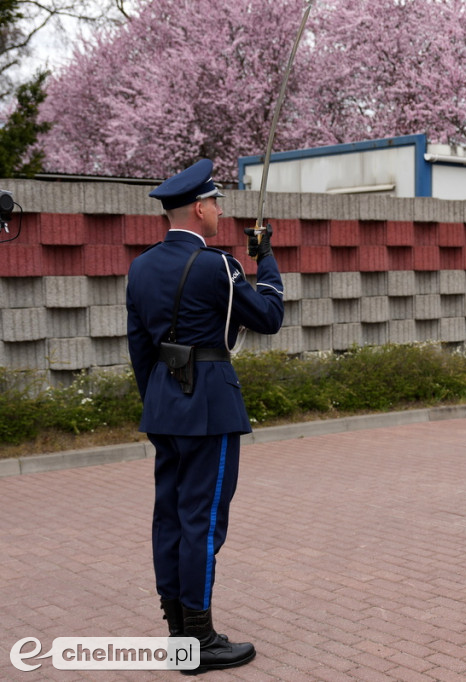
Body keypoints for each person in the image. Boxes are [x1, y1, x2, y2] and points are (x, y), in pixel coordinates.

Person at [126, 159, 284, 673]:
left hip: (164, 408)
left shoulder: (141, 266)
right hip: (210, 409)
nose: (220, 210)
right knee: (203, 522)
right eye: (216, 202)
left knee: (169, 517)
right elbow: (270, 317)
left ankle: (178, 634)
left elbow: (139, 351)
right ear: (199, 207)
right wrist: (267, 259)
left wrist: (159, 400)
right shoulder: (219, 266)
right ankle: (200, 640)